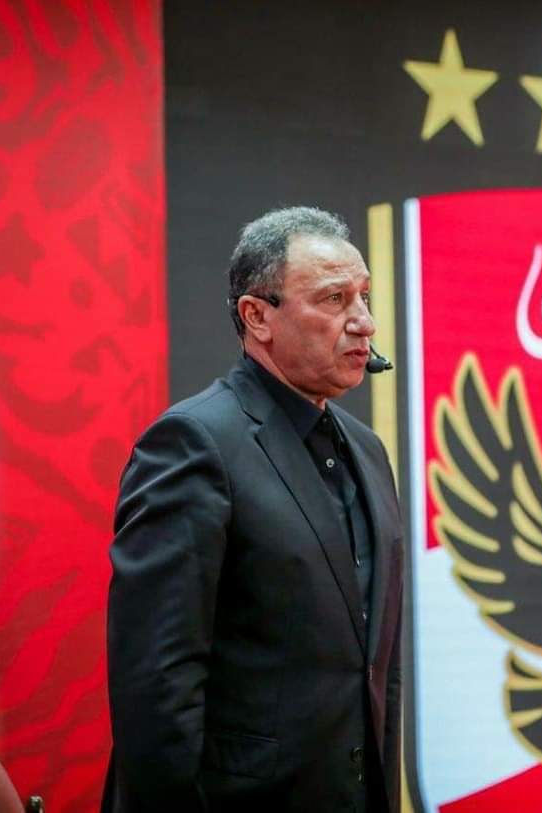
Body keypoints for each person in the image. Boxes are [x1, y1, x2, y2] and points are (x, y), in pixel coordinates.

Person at [102, 207, 402, 813]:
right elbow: (156, 681)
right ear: (257, 316)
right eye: (334, 299)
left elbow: (373, 665)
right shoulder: (192, 443)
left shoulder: (368, 450)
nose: (364, 323)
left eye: (363, 297)